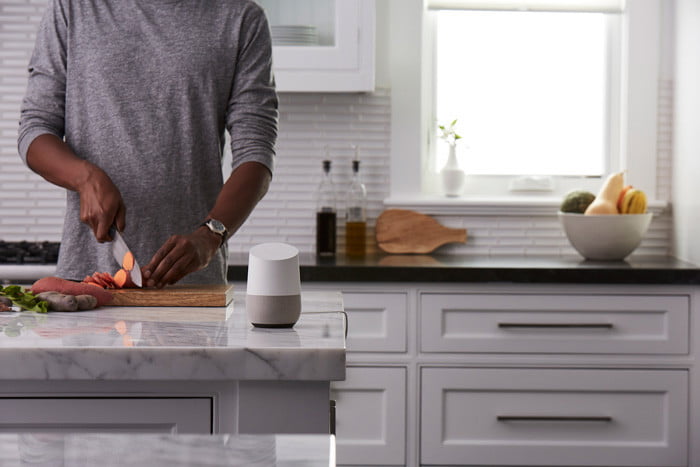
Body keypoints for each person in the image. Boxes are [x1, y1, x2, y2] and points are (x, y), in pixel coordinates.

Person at [18, 0, 278, 288]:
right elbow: (36, 128)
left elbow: (256, 151)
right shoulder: (73, 9)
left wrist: (210, 235)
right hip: (88, 285)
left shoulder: (240, 18)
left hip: (192, 290)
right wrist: (84, 177)